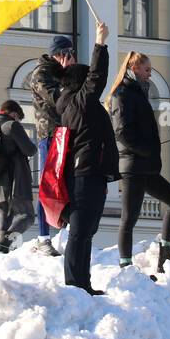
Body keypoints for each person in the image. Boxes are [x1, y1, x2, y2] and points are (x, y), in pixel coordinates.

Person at [108, 51, 170, 274]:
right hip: (133, 165)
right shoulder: (122, 94)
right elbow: (121, 131)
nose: (150, 74)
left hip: (146, 166)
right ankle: (125, 266)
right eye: (147, 70)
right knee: (129, 217)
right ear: (134, 69)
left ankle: (165, 256)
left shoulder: (138, 93)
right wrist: (146, 150)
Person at [55, 21, 116, 295]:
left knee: (85, 233)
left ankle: (82, 283)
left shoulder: (70, 102)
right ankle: (75, 285)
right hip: (85, 174)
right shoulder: (79, 101)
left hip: (89, 172)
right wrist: (99, 43)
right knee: (80, 233)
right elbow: (96, 78)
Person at [29, 35, 76, 257]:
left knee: (66, 183)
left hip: (65, 132)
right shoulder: (41, 74)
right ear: (57, 54)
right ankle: (43, 237)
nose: (69, 58)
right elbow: (59, 99)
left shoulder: (58, 73)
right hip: (49, 133)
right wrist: (68, 75)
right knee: (48, 185)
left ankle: (64, 232)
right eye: (66, 54)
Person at [0, 102, 36, 252]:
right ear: (14, 114)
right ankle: (5, 245)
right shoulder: (11, 126)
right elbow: (30, 150)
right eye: (18, 118)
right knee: (27, 216)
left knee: (3, 221)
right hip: (14, 182)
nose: (18, 121)